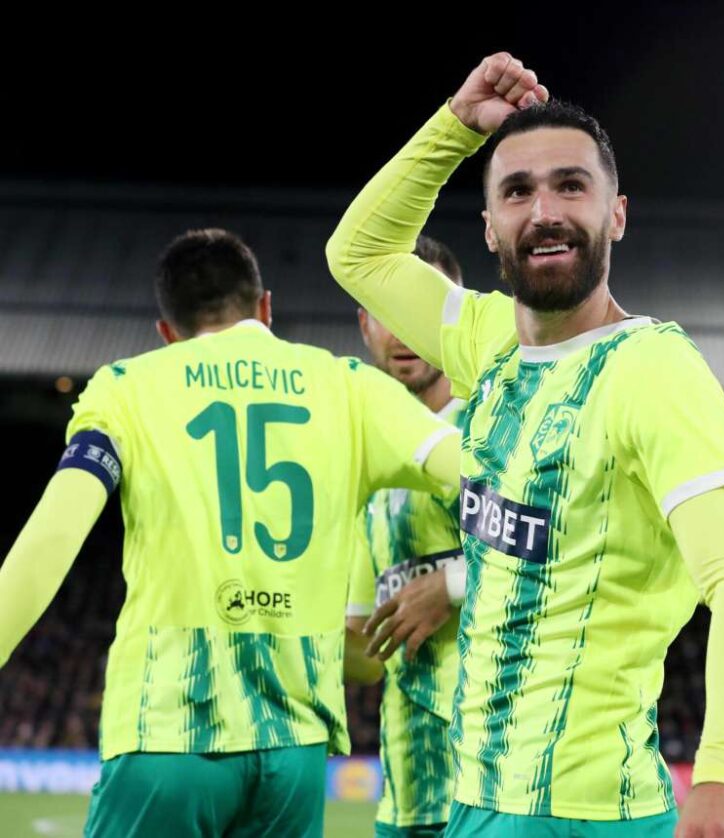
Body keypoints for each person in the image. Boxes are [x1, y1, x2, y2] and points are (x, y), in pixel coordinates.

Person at [327, 52, 724, 837]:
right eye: (517, 192)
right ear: (490, 228)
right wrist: (455, 128)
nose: (544, 211)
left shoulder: (654, 370)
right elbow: (357, 253)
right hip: (477, 798)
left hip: (581, 812)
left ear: (617, 214)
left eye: (571, 185)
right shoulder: (488, 338)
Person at [0, 229, 460, 837]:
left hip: (169, 735)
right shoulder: (351, 386)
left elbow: (53, 533)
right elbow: (485, 471)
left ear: (167, 333)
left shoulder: (127, 387)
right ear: (265, 308)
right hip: (294, 753)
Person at [345, 235, 470, 837]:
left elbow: (566, 546)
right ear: (365, 325)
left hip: (496, 784)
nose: (402, 331)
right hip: (408, 796)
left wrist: (450, 584)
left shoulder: (497, 425)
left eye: (419, 308)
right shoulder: (364, 458)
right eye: (386, 312)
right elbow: (365, 653)